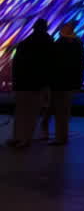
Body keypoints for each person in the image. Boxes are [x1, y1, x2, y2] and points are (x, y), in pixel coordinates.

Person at [10, 18, 53, 148]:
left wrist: (15, 82)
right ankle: (26, 139)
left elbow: (16, 64)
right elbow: (50, 65)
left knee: (20, 112)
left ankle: (17, 137)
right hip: (37, 84)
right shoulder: (48, 43)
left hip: (22, 83)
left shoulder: (25, 43)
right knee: (31, 113)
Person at [49, 21, 84, 146]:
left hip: (60, 82)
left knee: (61, 111)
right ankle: (62, 136)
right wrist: (79, 82)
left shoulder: (60, 44)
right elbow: (81, 64)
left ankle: (60, 137)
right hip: (70, 82)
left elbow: (53, 63)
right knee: (64, 110)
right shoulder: (77, 43)